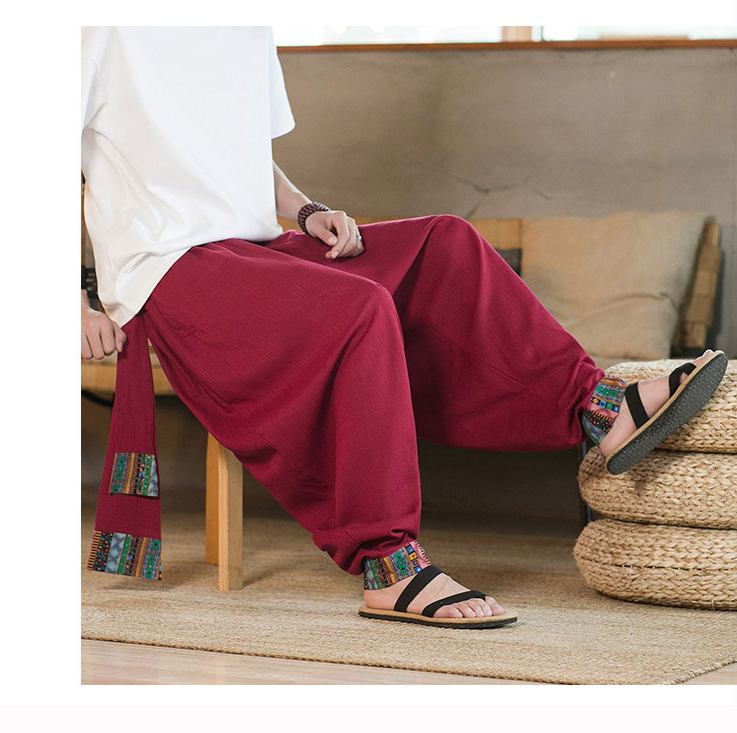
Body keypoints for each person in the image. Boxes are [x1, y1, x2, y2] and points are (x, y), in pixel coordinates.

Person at [81, 26, 726, 629]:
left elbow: (245, 155)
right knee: (358, 307)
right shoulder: (96, 27)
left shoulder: (246, 25)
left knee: (447, 244)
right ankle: (387, 564)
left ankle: (598, 409)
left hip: (258, 250)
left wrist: (305, 210)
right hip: (169, 272)